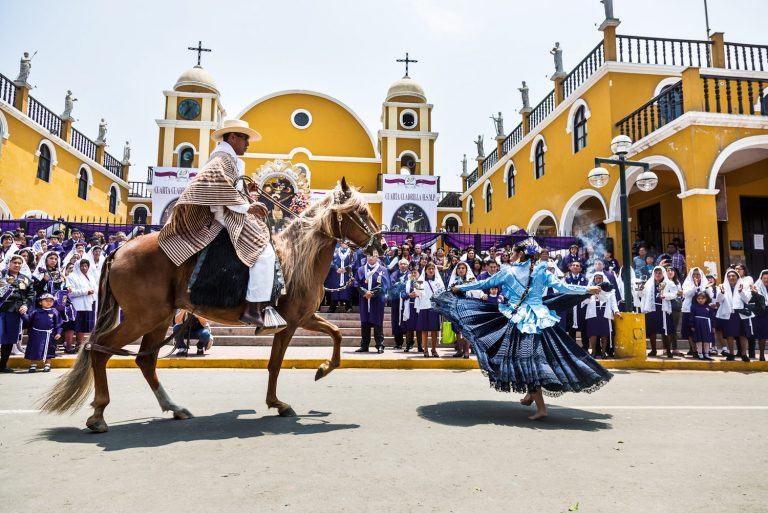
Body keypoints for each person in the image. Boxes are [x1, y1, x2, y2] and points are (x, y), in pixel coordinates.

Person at [436, 241, 608, 421]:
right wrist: (586, 289)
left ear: (520, 255)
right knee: (531, 358)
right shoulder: (541, 269)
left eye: (512, 252)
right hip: (541, 319)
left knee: (525, 361)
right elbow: (562, 287)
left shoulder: (508, 271)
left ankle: (541, 408)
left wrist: (460, 287)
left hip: (519, 319)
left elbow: (484, 284)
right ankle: (530, 395)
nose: (509, 254)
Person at [158, 119, 274, 328]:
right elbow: (215, 186)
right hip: (222, 218)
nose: (248, 144)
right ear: (232, 137)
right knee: (264, 252)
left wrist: (248, 192)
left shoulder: (228, 159)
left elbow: (226, 189)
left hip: (230, 214)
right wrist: (247, 207)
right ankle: (252, 308)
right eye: (245, 138)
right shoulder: (222, 158)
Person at [0, 255, 35, 372]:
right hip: (1, 310)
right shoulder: (1, 275)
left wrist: (25, 305)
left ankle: (2, 365)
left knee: (9, 339)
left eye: (19, 263)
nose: (17, 265)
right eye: (14, 262)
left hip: (15, 312)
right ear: (9, 263)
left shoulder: (25, 279)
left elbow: (30, 294)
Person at [641, 266, 679, 358]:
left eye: (659, 273)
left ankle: (668, 351)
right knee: (652, 331)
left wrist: (665, 296)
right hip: (651, 309)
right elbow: (642, 295)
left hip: (663, 309)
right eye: (656, 273)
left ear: (663, 274)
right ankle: (653, 350)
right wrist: (641, 289)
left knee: (666, 331)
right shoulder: (648, 284)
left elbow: (675, 293)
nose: (657, 275)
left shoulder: (669, 283)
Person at [447, 261, 482, 359]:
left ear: (466, 270)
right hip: (456, 306)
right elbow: (449, 292)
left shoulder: (470, 279)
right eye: (459, 268)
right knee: (457, 329)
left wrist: (482, 295)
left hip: (467, 306)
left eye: (463, 268)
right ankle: (459, 350)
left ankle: (466, 350)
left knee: (467, 328)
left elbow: (477, 289)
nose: (461, 270)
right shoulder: (453, 280)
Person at [354, 254, 389, 353]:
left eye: (373, 256)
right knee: (365, 322)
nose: (371, 258)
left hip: (377, 300)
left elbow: (384, 285)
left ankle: (380, 345)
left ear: (377, 257)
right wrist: (365, 292)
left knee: (378, 322)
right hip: (365, 299)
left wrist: (372, 293)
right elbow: (357, 283)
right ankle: (364, 345)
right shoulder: (361, 270)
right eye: (369, 256)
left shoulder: (383, 270)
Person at [716, 269, 753, 362]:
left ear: (737, 277)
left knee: (743, 334)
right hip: (729, 313)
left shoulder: (743, 286)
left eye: (733, 276)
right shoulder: (722, 286)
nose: (731, 278)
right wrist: (722, 292)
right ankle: (731, 353)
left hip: (741, 313)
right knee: (729, 334)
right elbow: (719, 300)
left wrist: (741, 291)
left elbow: (747, 299)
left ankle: (744, 354)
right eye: (729, 276)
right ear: (727, 278)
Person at [584, 272, 622, 359]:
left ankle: (603, 352)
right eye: (596, 278)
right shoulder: (589, 289)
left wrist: (616, 311)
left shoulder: (610, 291)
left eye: (600, 278)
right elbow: (584, 302)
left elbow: (613, 302)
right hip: (592, 313)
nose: (598, 280)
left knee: (604, 334)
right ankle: (593, 352)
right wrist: (590, 295)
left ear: (603, 279)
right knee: (593, 334)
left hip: (605, 313)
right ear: (594, 280)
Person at [24, 293, 62, 372]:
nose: (49, 302)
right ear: (40, 302)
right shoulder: (35, 311)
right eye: (46, 301)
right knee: (34, 348)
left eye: (51, 301)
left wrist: (58, 332)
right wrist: (23, 315)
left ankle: (47, 365)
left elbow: (58, 324)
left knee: (49, 349)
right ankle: (33, 365)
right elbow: (28, 321)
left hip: (50, 334)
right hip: (36, 334)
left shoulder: (55, 312)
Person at [681, 267, 713, 356]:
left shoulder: (705, 283)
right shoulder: (687, 283)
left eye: (698, 274)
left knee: (700, 331)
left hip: (701, 312)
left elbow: (710, 296)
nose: (696, 276)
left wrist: (707, 288)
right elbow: (686, 294)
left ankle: (703, 351)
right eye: (694, 274)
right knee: (689, 330)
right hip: (688, 309)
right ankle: (694, 350)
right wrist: (694, 286)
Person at [67, 259, 97, 351]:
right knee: (72, 326)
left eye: (86, 266)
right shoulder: (71, 276)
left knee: (82, 327)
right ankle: (68, 346)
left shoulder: (91, 277)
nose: (84, 268)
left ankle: (79, 345)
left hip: (88, 304)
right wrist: (85, 291)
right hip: (76, 305)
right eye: (82, 266)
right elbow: (70, 292)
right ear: (77, 266)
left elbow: (95, 289)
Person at [415, 262, 444, 358]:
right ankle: (425, 350)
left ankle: (434, 349)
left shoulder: (438, 281)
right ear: (425, 270)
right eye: (429, 269)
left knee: (434, 330)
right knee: (424, 330)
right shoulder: (420, 280)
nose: (431, 270)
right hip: (424, 306)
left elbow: (442, 293)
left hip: (434, 307)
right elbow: (417, 293)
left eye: (432, 269)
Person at [563, 261, 588, 346]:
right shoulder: (566, 278)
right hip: (571, 305)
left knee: (584, 327)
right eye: (573, 265)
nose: (575, 266)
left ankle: (585, 348)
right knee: (571, 329)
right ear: (570, 268)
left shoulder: (585, 278)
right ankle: (572, 349)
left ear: (580, 269)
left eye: (577, 265)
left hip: (582, 306)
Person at [325, 241, 353, 313]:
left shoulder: (352, 252)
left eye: (347, 243)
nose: (346, 244)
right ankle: (332, 307)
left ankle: (348, 307)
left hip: (347, 274)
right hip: (336, 274)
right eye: (344, 242)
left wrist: (346, 269)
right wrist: (336, 268)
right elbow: (330, 260)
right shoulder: (335, 251)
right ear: (341, 243)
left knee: (347, 290)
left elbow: (355, 262)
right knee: (335, 290)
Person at [388, 259, 410, 350]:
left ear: (408, 265)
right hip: (396, 300)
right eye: (401, 264)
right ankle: (398, 342)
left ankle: (409, 342)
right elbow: (391, 286)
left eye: (405, 264)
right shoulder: (394, 274)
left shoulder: (410, 274)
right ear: (399, 265)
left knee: (408, 320)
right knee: (396, 320)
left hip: (407, 300)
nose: (403, 265)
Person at [689, 292, 715, 360]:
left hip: (707, 325)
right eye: (699, 298)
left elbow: (712, 317)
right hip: (698, 324)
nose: (700, 300)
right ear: (696, 299)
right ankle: (700, 353)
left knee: (706, 340)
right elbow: (691, 316)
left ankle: (706, 353)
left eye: (702, 298)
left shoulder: (708, 307)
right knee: (699, 340)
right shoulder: (693, 306)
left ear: (706, 299)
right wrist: (692, 325)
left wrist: (713, 326)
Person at [400, 267, 421, 352]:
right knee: (409, 328)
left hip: (419, 308)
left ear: (419, 274)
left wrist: (417, 294)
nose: (414, 274)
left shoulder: (421, 283)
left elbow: (425, 294)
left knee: (419, 328)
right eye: (412, 273)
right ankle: (408, 345)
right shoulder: (406, 283)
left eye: (415, 272)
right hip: (409, 307)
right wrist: (409, 295)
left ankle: (420, 346)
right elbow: (402, 294)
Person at [751, 270, 768, 361]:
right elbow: (753, 300)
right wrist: (756, 293)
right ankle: (761, 355)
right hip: (762, 314)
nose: (766, 280)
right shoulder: (756, 288)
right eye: (764, 278)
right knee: (762, 335)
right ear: (761, 279)